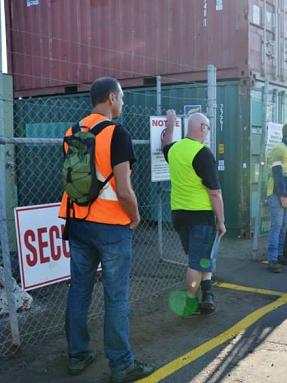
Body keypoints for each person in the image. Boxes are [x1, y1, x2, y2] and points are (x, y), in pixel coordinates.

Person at [59, 77, 154, 382]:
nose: (123, 103)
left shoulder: (72, 131)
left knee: (79, 291)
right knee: (115, 297)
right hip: (111, 226)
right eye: (122, 98)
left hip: (77, 222)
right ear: (111, 98)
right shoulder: (117, 133)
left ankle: (78, 354)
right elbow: (124, 190)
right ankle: (122, 364)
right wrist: (135, 216)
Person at [161, 110, 226, 315]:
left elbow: (165, 143)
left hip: (179, 214)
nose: (207, 132)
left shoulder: (174, 150)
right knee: (196, 262)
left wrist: (170, 124)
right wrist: (221, 221)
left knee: (201, 256)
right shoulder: (203, 153)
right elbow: (215, 193)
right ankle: (190, 301)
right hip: (200, 215)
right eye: (207, 128)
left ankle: (207, 294)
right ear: (202, 128)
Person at [266, 123, 287, 273]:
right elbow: (277, 174)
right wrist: (282, 196)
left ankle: (279, 255)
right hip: (277, 195)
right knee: (277, 227)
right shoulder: (279, 149)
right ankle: (272, 259)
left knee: (284, 226)